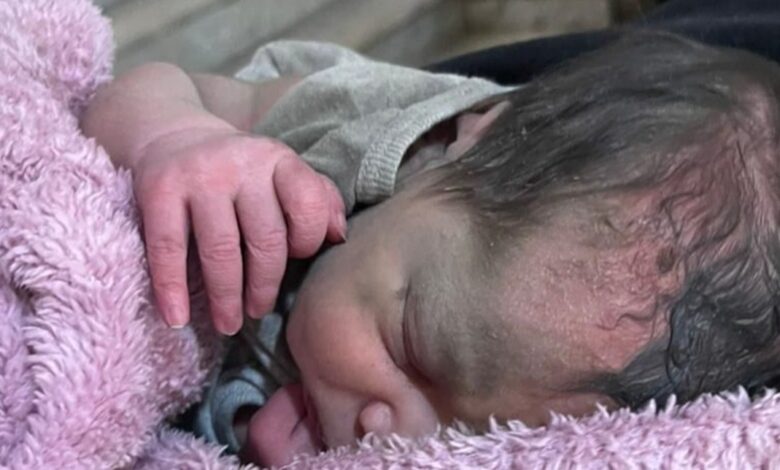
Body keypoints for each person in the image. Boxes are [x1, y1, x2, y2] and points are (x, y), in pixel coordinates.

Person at [80, 30, 780, 467]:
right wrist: (178, 137)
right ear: (453, 149)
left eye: (470, 438)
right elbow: (151, 88)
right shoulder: (361, 121)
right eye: (407, 349)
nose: (388, 432)